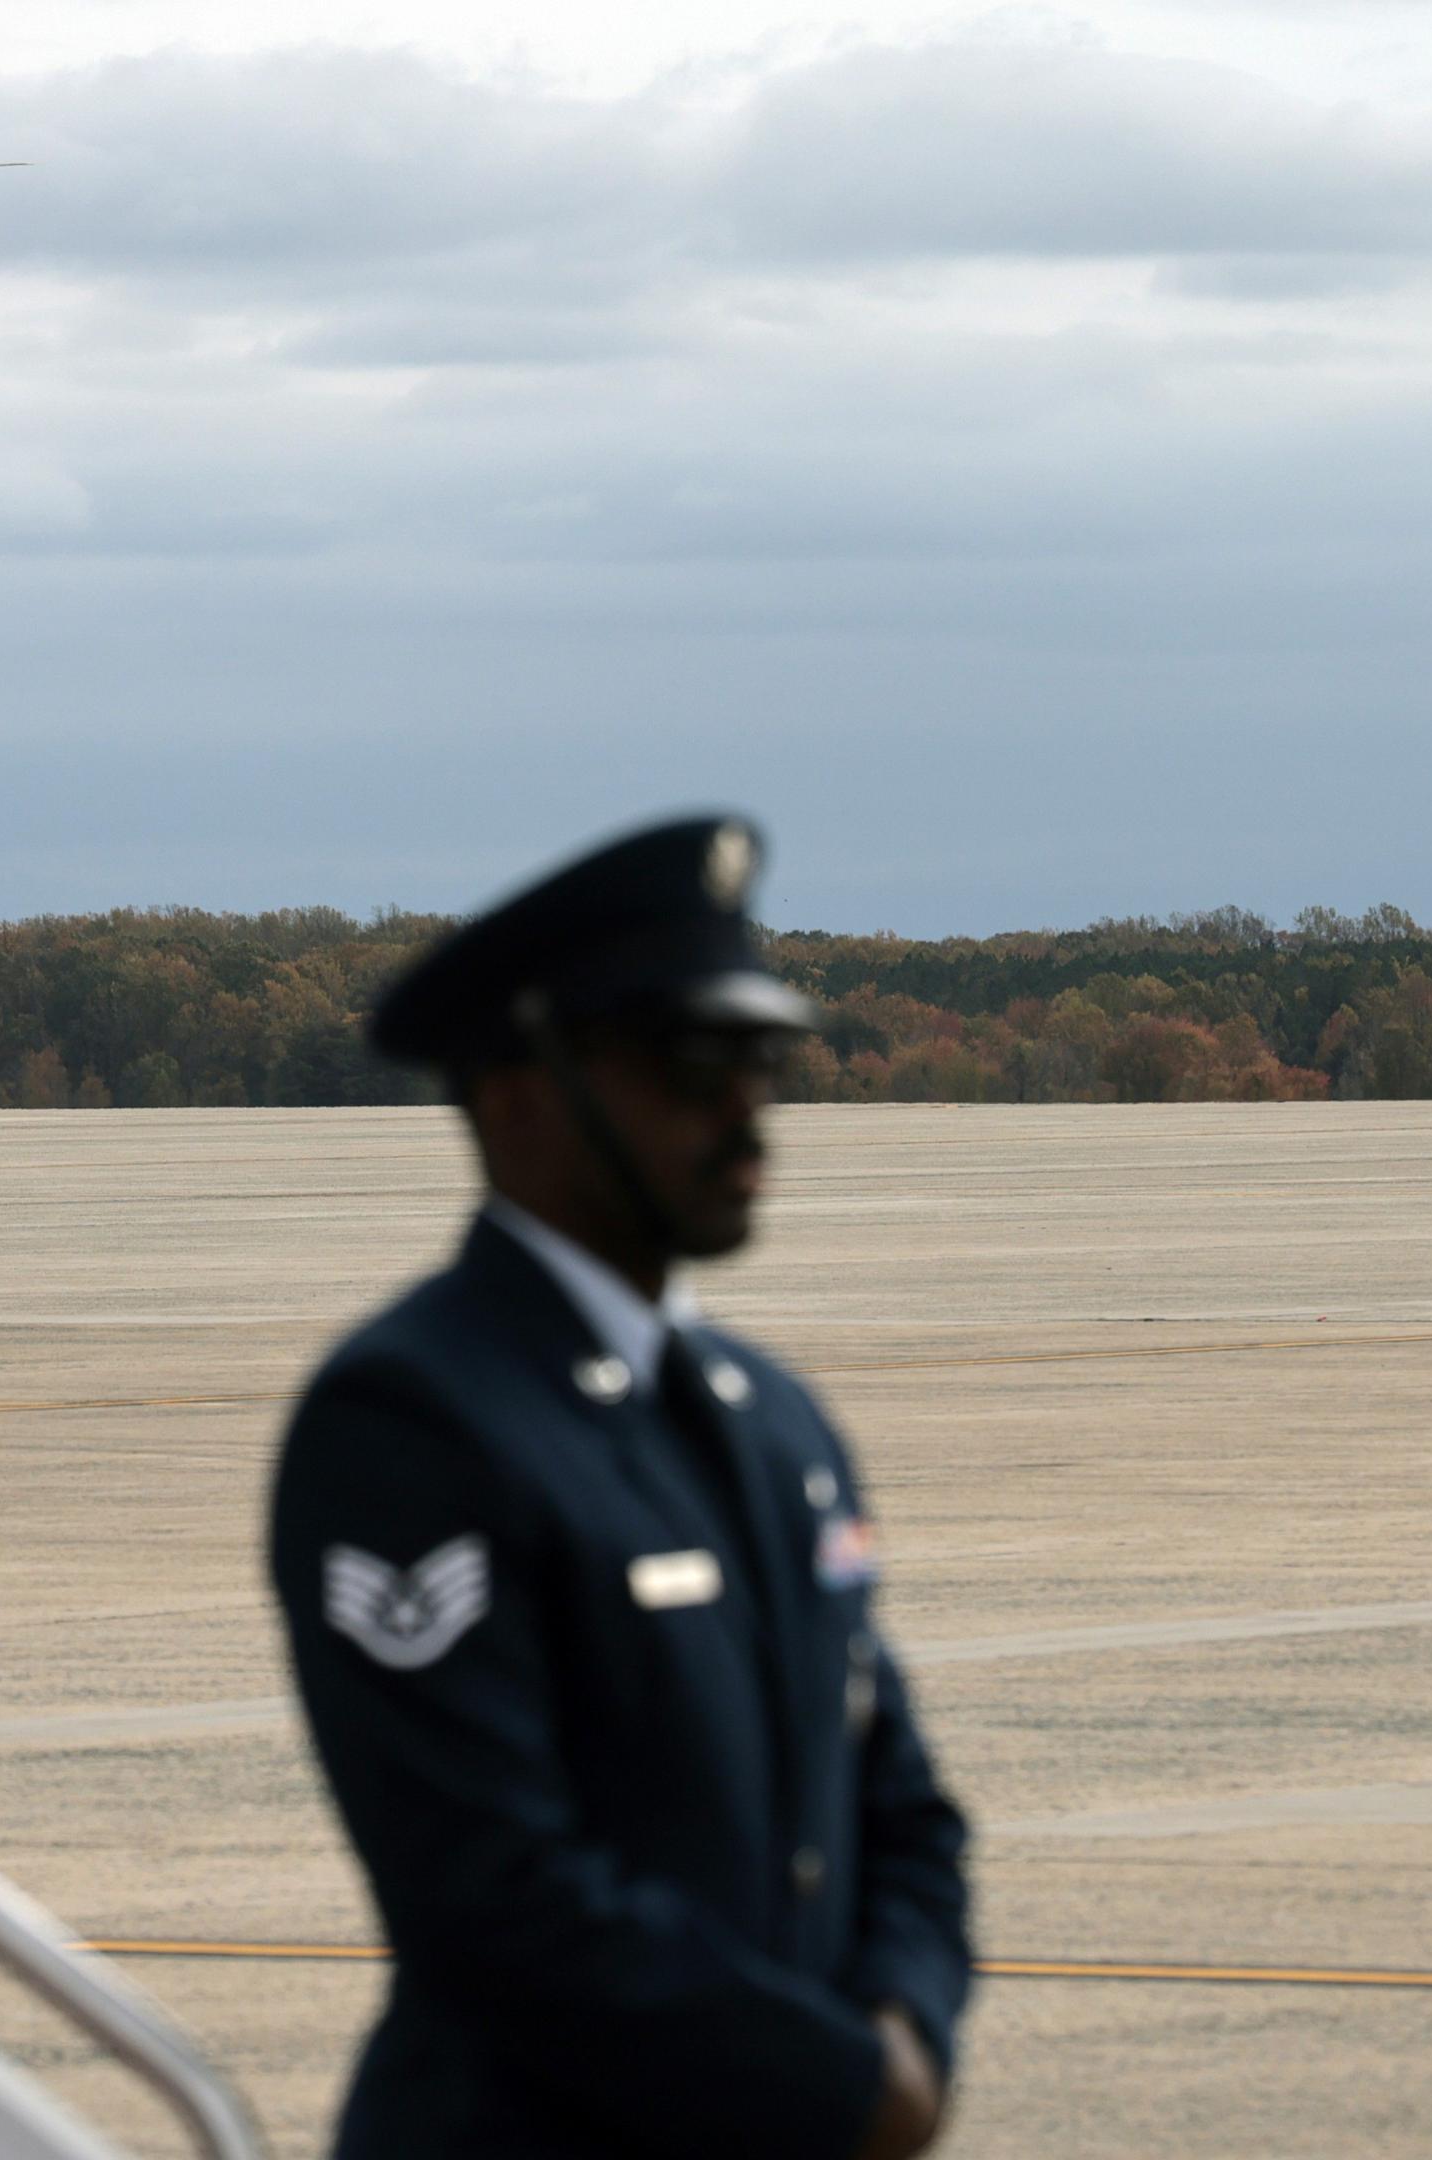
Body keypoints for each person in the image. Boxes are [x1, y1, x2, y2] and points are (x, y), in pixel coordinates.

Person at [267, 814, 972, 2160]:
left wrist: (908, 2030)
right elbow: (494, 1899)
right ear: (521, 1094)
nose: (744, 1108)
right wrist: (842, 2087)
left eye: (761, 1060)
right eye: (690, 1065)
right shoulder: (417, 1420)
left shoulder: (773, 1422)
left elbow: (899, 1804)